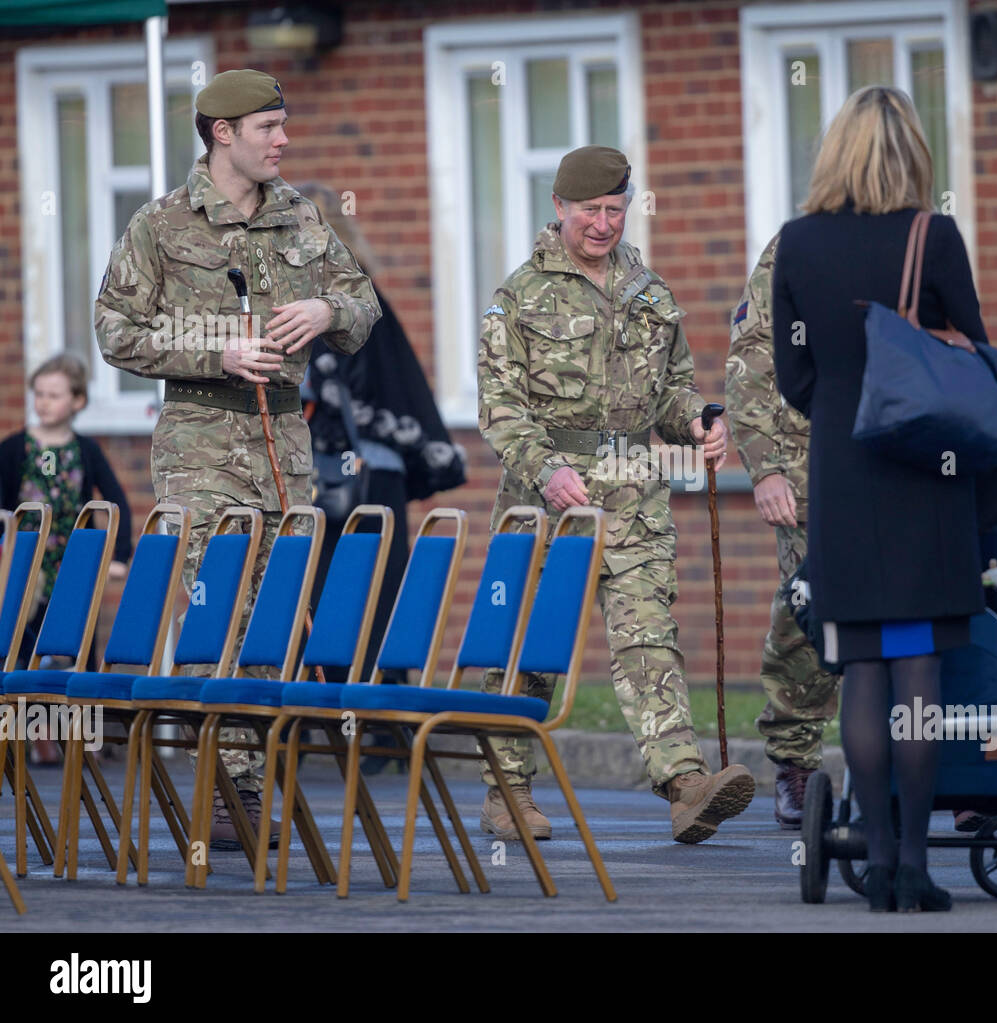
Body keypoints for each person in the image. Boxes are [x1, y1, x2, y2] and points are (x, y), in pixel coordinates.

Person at [94, 69, 380, 848]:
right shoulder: (161, 225)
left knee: (272, 613)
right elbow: (116, 330)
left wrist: (327, 308)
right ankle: (228, 787)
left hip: (285, 440)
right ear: (222, 134)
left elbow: (364, 305)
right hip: (200, 441)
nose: (283, 141)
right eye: (268, 129)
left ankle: (240, 786)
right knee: (218, 602)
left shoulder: (302, 218)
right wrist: (214, 350)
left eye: (284, 126)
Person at [478, 144, 755, 844]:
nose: (603, 224)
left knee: (647, 639)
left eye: (614, 209)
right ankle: (507, 790)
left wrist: (697, 420)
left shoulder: (651, 294)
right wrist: (543, 468)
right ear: (559, 208)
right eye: (589, 211)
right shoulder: (519, 297)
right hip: (548, 502)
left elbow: (670, 389)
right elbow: (499, 406)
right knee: (529, 650)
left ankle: (685, 784)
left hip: (634, 495)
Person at [774, 86, 997, 911]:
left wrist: (844, 406)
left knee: (862, 666)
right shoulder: (932, 236)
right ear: (912, 154)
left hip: (843, 475)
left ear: (833, 151)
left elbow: (793, 375)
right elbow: (974, 353)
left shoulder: (795, 244)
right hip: (926, 474)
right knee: (918, 667)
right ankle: (913, 863)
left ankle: (873, 866)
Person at [296, 183, 467, 689]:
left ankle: (375, 719)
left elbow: (357, 392)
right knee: (335, 597)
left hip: (357, 478)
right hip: (343, 477)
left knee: (363, 596)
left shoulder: (352, 303)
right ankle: (358, 720)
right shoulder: (324, 301)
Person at [725, 235, 840, 829]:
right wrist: (766, 468)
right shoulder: (796, 249)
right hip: (807, 461)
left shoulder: (920, 239)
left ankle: (946, 760)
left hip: (901, 452)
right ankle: (795, 758)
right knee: (809, 600)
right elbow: (750, 363)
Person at [0, 354, 133, 763]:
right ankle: (30, 736)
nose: (43, 402)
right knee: (22, 647)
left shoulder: (85, 450)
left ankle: (83, 735)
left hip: (72, 567)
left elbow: (115, 501)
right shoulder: (15, 448)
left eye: (54, 395)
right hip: (27, 569)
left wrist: (119, 555)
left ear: (76, 401)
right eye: (38, 394)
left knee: (79, 647)